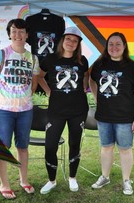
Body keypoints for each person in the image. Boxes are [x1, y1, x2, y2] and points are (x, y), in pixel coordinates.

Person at [0, 18, 40, 199]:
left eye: (21, 31)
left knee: (23, 147)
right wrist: (1, 100)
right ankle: (4, 184)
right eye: (14, 31)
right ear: (9, 34)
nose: (18, 35)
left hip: (25, 110)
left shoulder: (32, 58)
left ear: (27, 35)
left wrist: (24, 98)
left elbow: (33, 84)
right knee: (3, 147)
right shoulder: (1, 54)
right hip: (3, 110)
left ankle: (23, 180)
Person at [89, 32, 134, 195]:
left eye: (118, 44)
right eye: (111, 44)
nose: (114, 47)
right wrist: (96, 97)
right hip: (104, 116)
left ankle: (126, 180)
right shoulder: (100, 65)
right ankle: (105, 176)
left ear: (124, 46)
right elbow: (92, 81)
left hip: (125, 118)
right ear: (107, 47)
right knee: (106, 147)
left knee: (125, 149)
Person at [35, 26, 89, 194]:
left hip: (78, 110)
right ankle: (51, 180)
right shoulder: (50, 59)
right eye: (68, 39)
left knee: (74, 144)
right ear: (62, 40)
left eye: (75, 40)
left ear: (78, 43)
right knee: (50, 146)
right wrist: (49, 91)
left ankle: (72, 177)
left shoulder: (82, 60)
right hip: (56, 110)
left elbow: (86, 76)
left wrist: (84, 88)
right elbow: (39, 76)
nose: (71, 42)